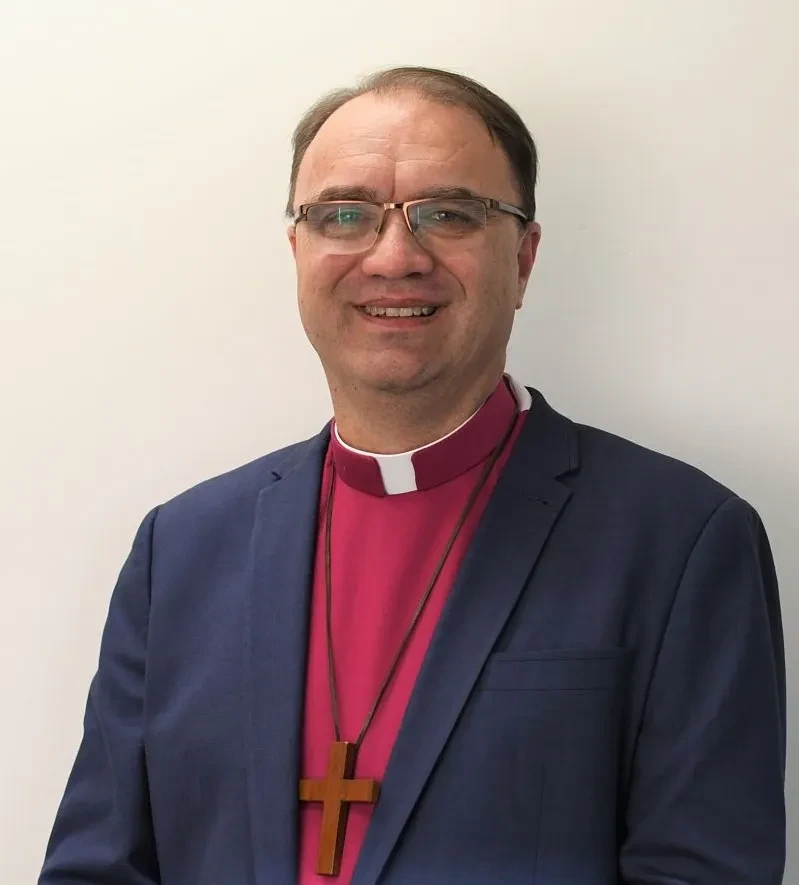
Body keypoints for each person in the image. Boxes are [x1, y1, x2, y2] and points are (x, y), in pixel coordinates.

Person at [39, 66, 786, 885]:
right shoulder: (178, 551)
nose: (394, 256)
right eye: (345, 215)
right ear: (299, 251)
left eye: (447, 213)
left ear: (524, 257)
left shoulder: (680, 540)